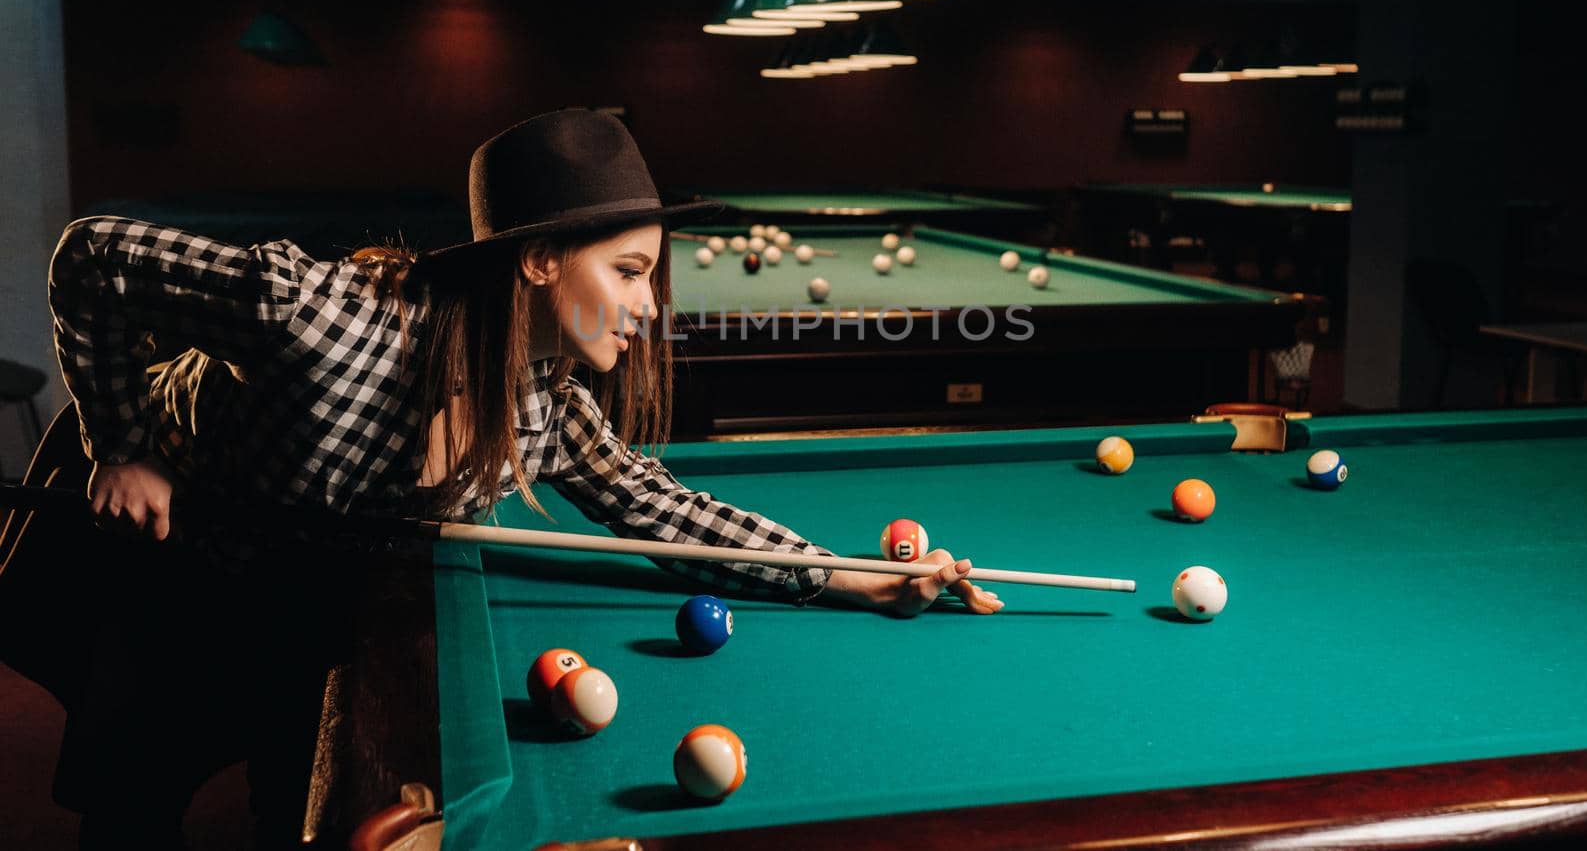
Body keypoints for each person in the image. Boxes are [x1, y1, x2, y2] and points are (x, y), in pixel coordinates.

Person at [31, 109, 1001, 848]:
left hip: (308, 570)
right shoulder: (326, 320)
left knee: (301, 792)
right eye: (626, 271)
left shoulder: (544, 408)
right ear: (538, 258)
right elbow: (92, 259)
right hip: (155, 535)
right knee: (133, 792)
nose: (644, 309)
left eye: (649, 279)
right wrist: (124, 445)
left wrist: (846, 573)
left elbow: (668, 511)